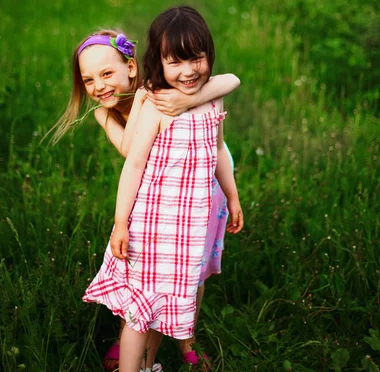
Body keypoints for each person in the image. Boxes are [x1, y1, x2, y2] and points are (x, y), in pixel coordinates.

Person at [50, 28, 240, 371]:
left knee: (191, 273)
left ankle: (186, 342)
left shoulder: (167, 85)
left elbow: (229, 80)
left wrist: (188, 99)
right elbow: (130, 149)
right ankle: (131, 345)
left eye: (107, 73)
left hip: (204, 189)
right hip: (161, 200)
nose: (99, 86)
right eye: (88, 79)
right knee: (144, 274)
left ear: (132, 68)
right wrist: (139, 100)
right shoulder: (106, 112)